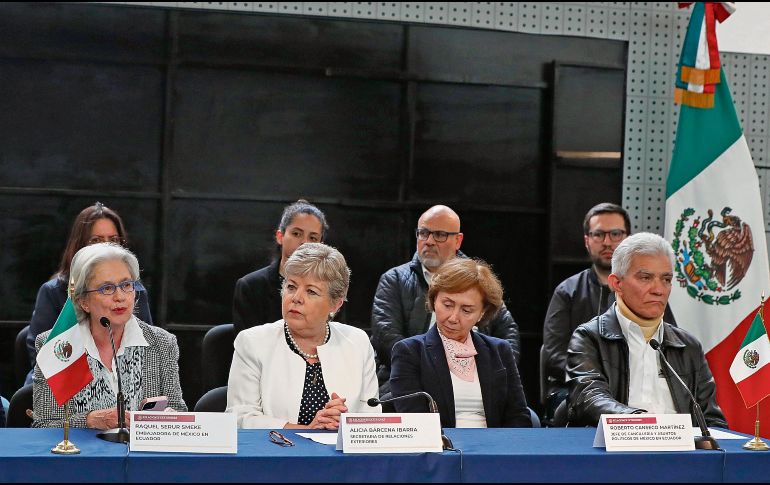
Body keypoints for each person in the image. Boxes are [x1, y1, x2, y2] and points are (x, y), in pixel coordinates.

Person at [566, 232, 727, 428]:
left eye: (666, 279)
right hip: (617, 450)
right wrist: (642, 423)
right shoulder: (590, 337)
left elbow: (712, 421)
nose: (659, 289)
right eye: (645, 278)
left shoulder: (688, 346)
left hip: (683, 454)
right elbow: (589, 398)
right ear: (617, 283)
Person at [32, 243, 186, 429]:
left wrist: (171, 418)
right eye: (106, 288)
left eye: (126, 285)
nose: (120, 296)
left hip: (141, 457)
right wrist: (88, 421)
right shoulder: (59, 347)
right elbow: (43, 425)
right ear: (83, 302)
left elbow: (178, 409)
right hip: (83, 456)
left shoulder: (162, 343)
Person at [227, 243, 379, 429]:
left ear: (335, 305)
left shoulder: (357, 342)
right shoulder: (253, 343)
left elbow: (371, 417)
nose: (296, 297)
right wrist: (307, 431)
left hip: (340, 456)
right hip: (279, 453)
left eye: (311, 291)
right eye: (291, 287)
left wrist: (343, 422)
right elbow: (241, 417)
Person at [371, 205, 521, 391]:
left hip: (474, 380)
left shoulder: (478, 281)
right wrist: (434, 372)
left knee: (527, 418)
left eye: (440, 234)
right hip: (409, 380)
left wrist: (491, 374)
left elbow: (508, 336)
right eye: (423, 233)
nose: (429, 241)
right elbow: (387, 338)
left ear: (458, 241)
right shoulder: (394, 279)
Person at [390, 258, 531, 428]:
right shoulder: (409, 351)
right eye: (447, 305)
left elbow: (518, 416)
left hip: (495, 448)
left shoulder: (500, 350)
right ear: (434, 300)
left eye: (466, 310)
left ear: (482, 313)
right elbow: (415, 422)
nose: (453, 318)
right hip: (440, 449)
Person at [26, 202, 153, 384]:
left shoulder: (136, 291)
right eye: (96, 240)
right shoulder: (55, 290)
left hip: (123, 378)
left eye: (114, 240)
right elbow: (41, 355)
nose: (106, 246)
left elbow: (147, 351)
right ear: (79, 245)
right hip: (65, 379)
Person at [232, 200, 329, 335]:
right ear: (280, 236)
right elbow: (249, 346)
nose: (304, 243)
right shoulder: (251, 286)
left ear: (320, 245)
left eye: (313, 238)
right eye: (296, 234)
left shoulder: (329, 288)